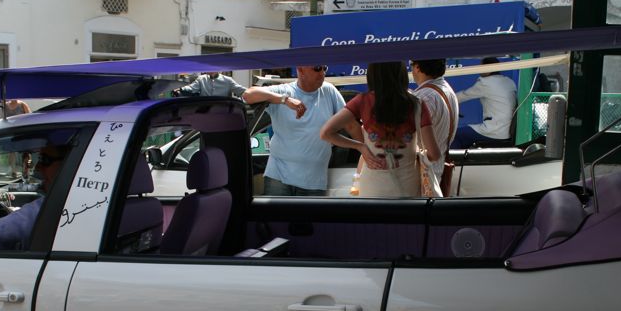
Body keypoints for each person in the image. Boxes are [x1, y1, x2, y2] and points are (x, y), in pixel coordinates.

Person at [319, 61, 440, 198]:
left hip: (372, 188)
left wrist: (360, 146)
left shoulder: (362, 101)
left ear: (372, 74)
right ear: (401, 73)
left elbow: (326, 133)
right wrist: (415, 155)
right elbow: (434, 154)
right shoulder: (417, 104)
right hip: (407, 187)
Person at [242, 65, 345, 195]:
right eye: (317, 68)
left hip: (313, 182)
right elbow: (247, 95)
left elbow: (350, 123)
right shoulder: (283, 91)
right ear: (300, 69)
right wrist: (285, 100)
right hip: (279, 178)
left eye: (325, 68)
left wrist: (363, 148)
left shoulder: (329, 91)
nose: (322, 73)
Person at [410, 59, 459, 183]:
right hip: (435, 171)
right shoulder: (447, 90)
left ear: (417, 67)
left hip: (421, 174)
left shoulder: (423, 97)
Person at [452, 57, 517, 148]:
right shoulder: (509, 81)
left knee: (456, 135)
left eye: (481, 67)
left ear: (487, 68)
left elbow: (463, 95)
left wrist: (445, 99)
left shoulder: (485, 83)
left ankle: (451, 157)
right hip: (507, 132)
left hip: (494, 131)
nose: (479, 70)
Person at [174, 72, 247, 98]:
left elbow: (241, 91)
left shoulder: (228, 80)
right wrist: (180, 88)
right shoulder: (201, 79)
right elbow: (192, 88)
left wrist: (251, 92)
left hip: (222, 111)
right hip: (205, 110)